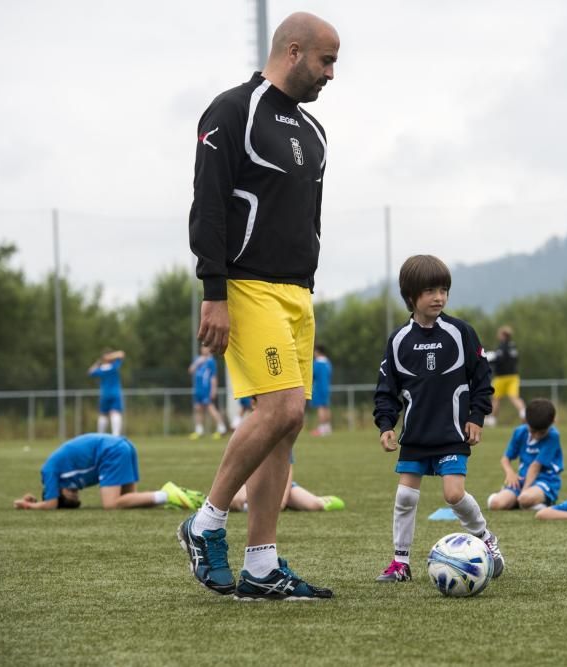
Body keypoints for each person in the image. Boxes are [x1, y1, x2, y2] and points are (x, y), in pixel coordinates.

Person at [178, 11, 339, 601]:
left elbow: (308, 219)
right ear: (292, 51)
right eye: (326, 61)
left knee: (289, 424)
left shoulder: (316, 133)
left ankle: (262, 567)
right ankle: (205, 522)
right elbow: (210, 205)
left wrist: (308, 282)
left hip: (297, 291)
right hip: (246, 287)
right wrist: (213, 291)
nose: (331, 74)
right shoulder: (231, 110)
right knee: (275, 410)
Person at [373, 254, 503, 583]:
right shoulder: (398, 340)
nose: (439, 297)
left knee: (454, 495)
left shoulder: (461, 333)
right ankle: (400, 564)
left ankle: (487, 542)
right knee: (404, 496)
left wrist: (476, 416)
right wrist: (386, 424)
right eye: (430, 290)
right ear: (410, 296)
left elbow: (482, 380)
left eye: (444, 289)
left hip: (451, 432)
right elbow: (386, 388)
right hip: (416, 435)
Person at [12, 433, 204, 510]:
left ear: (57, 489)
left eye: (69, 495)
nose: (74, 492)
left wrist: (29, 505)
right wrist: (39, 501)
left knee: (110, 504)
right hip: (122, 445)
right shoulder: (66, 478)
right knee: (130, 500)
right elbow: (51, 501)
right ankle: (176, 496)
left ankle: (166, 494)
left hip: (110, 450)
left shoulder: (49, 471)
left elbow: (51, 504)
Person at [487, 398, 563, 511]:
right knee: (496, 504)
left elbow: (535, 466)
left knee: (524, 499)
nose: (536, 436)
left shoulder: (553, 436)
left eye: (541, 432)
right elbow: (505, 459)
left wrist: (524, 491)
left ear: (552, 422)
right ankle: (529, 503)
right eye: (532, 431)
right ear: (526, 421)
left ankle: (537, 501)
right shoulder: (519, 432)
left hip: (545, 481)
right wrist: (510, 474)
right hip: (522, 480)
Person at [230, 453, 344, 513]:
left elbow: (288, 470)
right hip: (248, 483)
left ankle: (323, 500)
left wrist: (282, 500)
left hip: (278, 484)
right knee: (236, 501)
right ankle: (214, 501)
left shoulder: (283, 432)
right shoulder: (249, 431)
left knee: (313, 505)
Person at [485, 325, 525, 427]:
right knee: (514, 397)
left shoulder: (502, 346)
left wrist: (489, 358)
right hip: (513, 376)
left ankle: (492, 420)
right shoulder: (513, 346)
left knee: (496, 398)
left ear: (503, 335)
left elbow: (498, 359)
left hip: (501, 377)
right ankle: (524, 414)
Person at [188, 345, 227, 440]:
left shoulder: (211, 361)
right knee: (198, 408)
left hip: (206, 389)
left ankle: (222, 428)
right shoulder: (198, 359)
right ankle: (199, 430)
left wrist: (213, 390)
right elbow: (190, 370)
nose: (203, 349)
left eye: (206, 347)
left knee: (210, 408)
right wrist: (197, 363)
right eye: (202, 347)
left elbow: (213, 377)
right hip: (198, 389)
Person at [88, 349, 125, 435]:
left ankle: (100, 434)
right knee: (115, 413)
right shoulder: (114, 366)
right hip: (115, 393)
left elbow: (90, 372)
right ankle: (116, 435)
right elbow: (121, 354)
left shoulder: (101, 370)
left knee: (103, 414)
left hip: (105, 394)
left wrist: (98, 362)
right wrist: (109, 357)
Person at [309, 344, 333, 436]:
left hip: (318, 388)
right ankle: (327, 428)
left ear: (317, 352)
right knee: (326, 407)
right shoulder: (328, 363)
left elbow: (312, 375)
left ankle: (321, 429)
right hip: (326, 387)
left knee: (320, 408)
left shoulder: (317, 363)